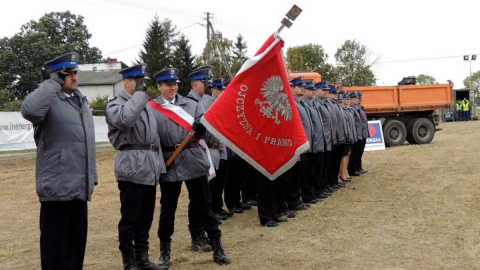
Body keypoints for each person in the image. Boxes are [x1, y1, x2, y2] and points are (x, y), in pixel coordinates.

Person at [21, 52, 98, 270]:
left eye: (75, 72)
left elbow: (86, 146)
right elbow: (29, 110)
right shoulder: (48, 101)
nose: (74, 77)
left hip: (79, 187)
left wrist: (91, 177)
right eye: (69, 73)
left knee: (76, 249)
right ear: (56, 75)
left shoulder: (80, 101)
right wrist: (52, 83)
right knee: (55, 252)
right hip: (56, 189)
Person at [149, 67, 231, 269]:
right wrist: (159, 165)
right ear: (159, 86)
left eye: (175, 84)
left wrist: (202, 128)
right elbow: (152, 140)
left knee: (204, 205)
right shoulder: (151, 109)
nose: (173, 87)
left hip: (193, 159)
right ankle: (165, 251)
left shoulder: (192, 105)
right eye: (168, 84)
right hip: (170, 161)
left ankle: (217, 246)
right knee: (168, 210)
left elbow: (206, 130)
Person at [105, 63, 165, 270]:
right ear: (127, 82)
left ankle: (142, 258)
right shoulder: (115, 104)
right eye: (140, 82)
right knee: (130, 217)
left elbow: (154, 140)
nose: (144, 86)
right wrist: (140, 96)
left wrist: (160, 167)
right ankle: (128, 260)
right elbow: (124, 120)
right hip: (131, 166)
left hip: (149, 166)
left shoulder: (145, 106)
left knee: (145, 217)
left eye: (145, 82)